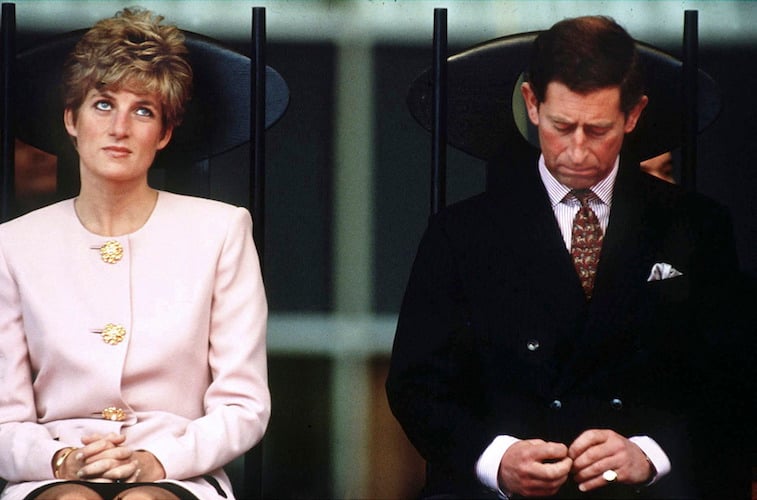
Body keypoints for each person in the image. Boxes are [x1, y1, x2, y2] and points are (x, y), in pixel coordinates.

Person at [386, 15, 746, 499]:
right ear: (532, 104)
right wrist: (496, 459)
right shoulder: (461, 233)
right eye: (562, 127)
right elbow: (415, 383)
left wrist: (650, 454)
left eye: (598, 130)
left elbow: (733, 382)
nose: (577, 151)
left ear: (633, 115)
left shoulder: (697, 226)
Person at [0, 8, 269, 500]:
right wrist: (62, 461)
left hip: (179, 470)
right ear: (71, 119)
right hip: (50, 471)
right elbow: (3, 417)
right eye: (103, 105)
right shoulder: (12, 244)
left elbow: (243, 405)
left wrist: (156, 461)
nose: (120, 127)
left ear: (163, 133)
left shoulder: (222, 231)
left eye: (143, 110)